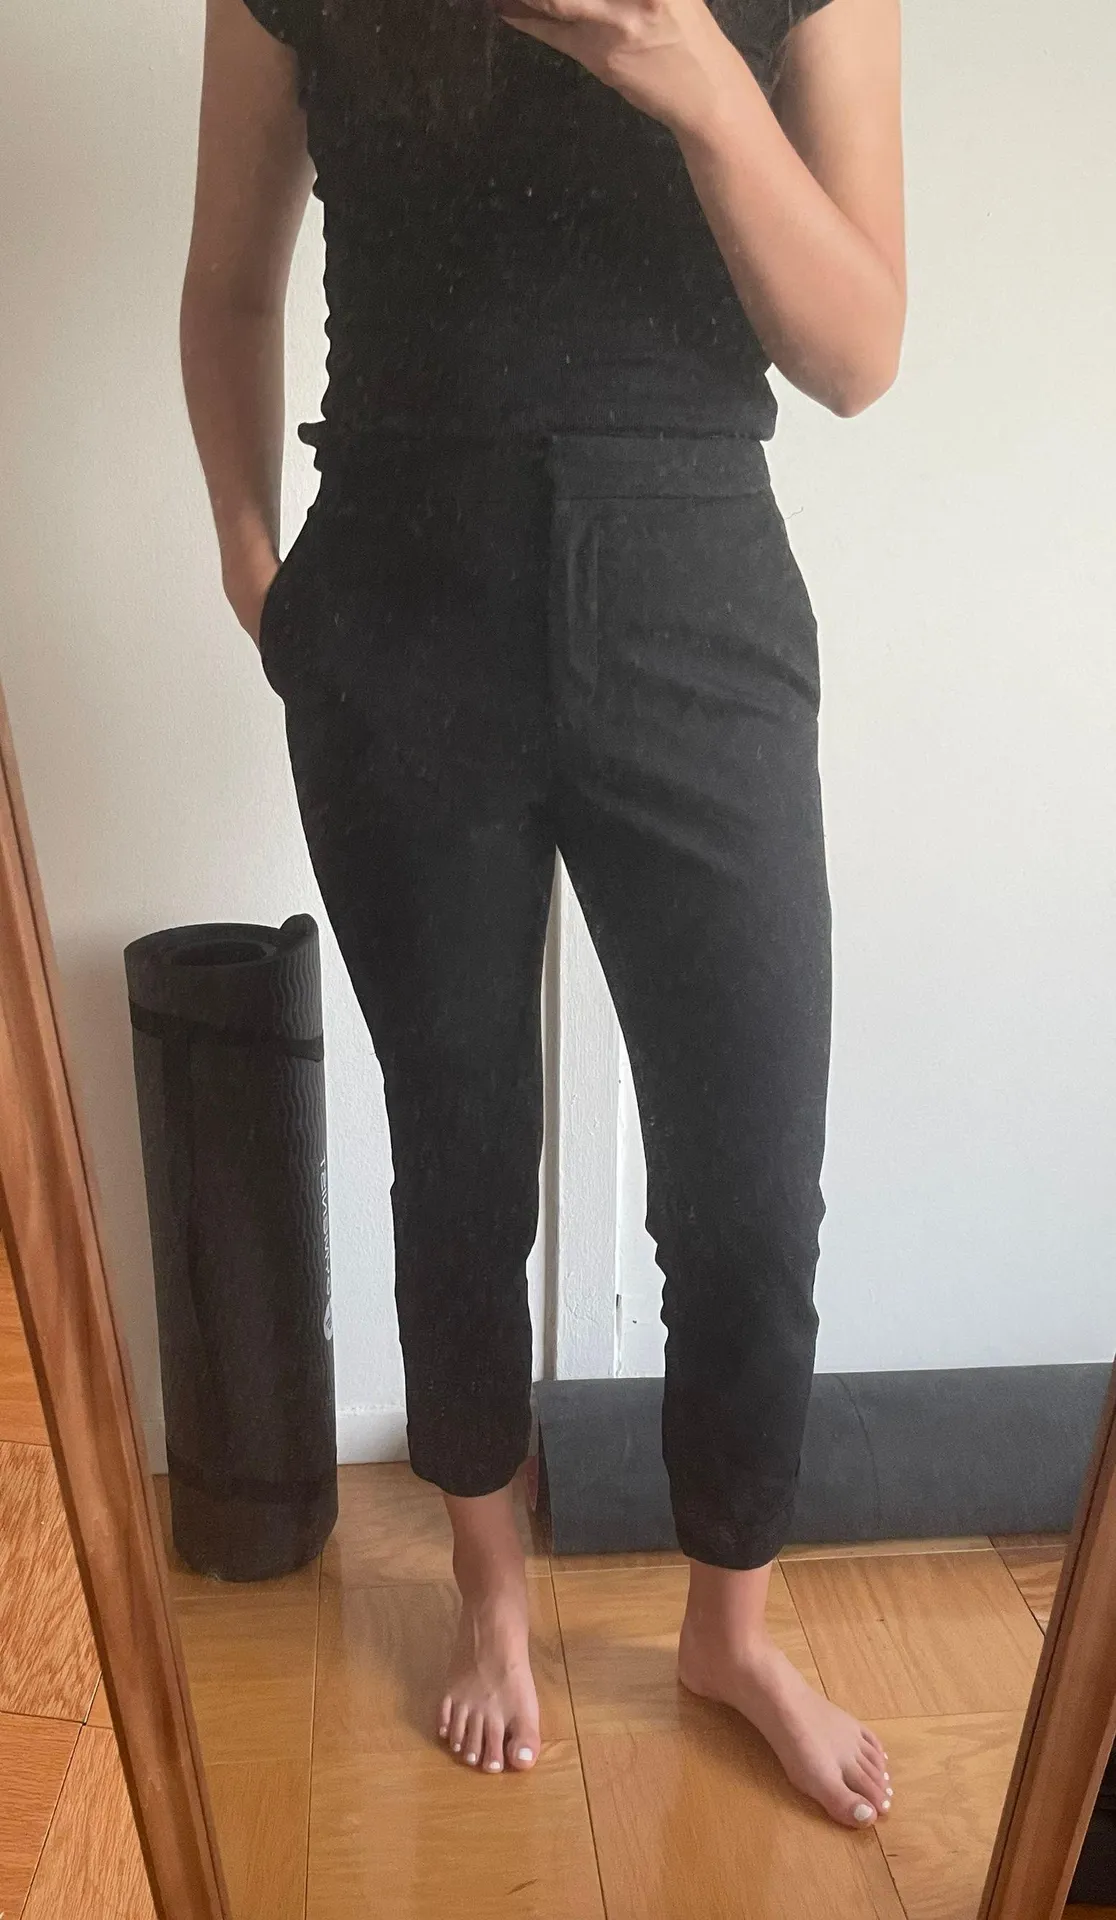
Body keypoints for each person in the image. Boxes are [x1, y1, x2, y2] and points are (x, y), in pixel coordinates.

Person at [180, 0, 905, 1827]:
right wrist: (262, 573)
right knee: (461, 1150)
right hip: (401, 594)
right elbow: (231, 286)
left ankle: (730, 1631)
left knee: (752, 1187)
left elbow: (860, 350)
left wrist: (690, 67)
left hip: (696, 588)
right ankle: (490, 1593)